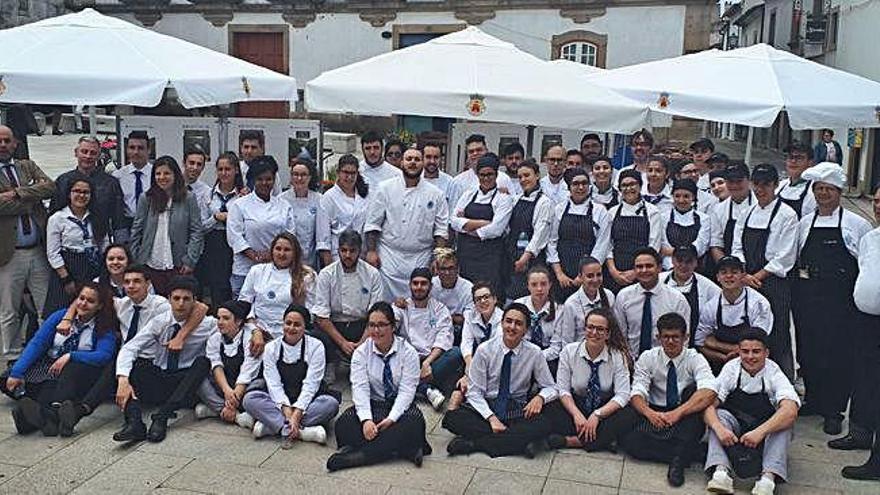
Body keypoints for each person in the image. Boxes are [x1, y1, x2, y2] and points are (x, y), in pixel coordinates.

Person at [52, 264, 208, 437]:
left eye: (137, 281)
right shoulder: (122, 305)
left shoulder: (163, 307)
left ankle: (160, 418)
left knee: (202, 363)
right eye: (127, 282)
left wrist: (181, 337)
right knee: (124, 363)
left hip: (177, 380)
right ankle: (129, 421)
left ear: (148, 284)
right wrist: (67, 318)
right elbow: (87, 298)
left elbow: (200, 308)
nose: (131, 286)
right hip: (148, 372)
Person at [793, 162, 873, 436]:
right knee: (809, 351)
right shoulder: (805, 223)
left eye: (829, 189)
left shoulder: (856, 224)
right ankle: (814, 400)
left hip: (840, 303)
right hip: (809, 299)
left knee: (837, 355)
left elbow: (866, 264)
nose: (823, 194)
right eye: (819, 189)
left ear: (839, 192)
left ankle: (834, 410)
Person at [442, 302, 557, 458]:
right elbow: (475, 392)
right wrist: (492, 419)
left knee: (545, 423)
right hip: (488, 406)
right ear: (502, 323)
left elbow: (551, 387)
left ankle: (474, 444)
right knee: (452, 419)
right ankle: (519, 443)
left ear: (525, 329)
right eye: (508, 321)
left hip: (516, 409)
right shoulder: (484, 350)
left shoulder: (535, 353)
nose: (512, 327)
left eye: (518, 323)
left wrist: (540, 397)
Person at [1, 283, 118, 436]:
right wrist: (17, 372)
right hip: (49, 364)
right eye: (81, 298)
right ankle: (46, 419)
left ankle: (34, 418)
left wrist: (71, 355)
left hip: (78, 372)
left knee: (58, 378)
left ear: (99, 306)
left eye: (90, 301)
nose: (83, 303)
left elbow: (104, 355)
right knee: (8, 380)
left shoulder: (103, 326)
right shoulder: (60, 316)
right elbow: (37, 344)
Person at [327, 302, 430, 471]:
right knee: (344, 424)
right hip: (373, 404)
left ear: (393, 327)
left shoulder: (408, 352)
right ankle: (403, 449)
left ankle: (360, 457)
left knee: (414, 424)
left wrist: (391, 419)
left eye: (382, 325)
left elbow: (407, 391)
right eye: (372, 325)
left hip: (399, 408)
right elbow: (360, 390)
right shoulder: (361, 353)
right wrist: (366, 420)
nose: (376, 331)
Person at [112, 276, 215, 443]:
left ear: (195, 301)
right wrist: (123, 380)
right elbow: (130, 347)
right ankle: (134, 423)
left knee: (203, 363)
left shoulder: (208, 324)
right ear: (169, 300)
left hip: (183, 387)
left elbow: (236, 326)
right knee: (133, 365)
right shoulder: (160, 321)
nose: (181, 303)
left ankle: (161, 418)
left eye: (186, 299)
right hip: (159, 378)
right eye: (176, 298)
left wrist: (255, 333)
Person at [620, 313, 717, 487]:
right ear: (658, 337)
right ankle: (688, 453)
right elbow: (637, 393)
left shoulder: (695, 358)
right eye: (666, 337)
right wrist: (649, 413)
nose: (670, 342)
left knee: (695, 394)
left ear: (685, 337)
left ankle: (678, 463)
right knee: (630, 443)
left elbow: (710, 391)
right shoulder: (648, 357)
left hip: (682, 413)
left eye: (675, 337)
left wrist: (677, 413)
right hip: (655, 412)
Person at [704, 330, 800, 495]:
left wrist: (759, 433)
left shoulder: (774, 372)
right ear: (739, 351)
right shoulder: (731, 368)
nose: (750, 357)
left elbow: (791, 410)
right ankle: (721, 472)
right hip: (734, 427)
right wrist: (720, 429)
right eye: (745, 351)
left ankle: (768, 478)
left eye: (756, 351)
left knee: (784, 423)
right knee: (718, 416)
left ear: (766, 353)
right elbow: (707, 403)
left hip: (763, 430)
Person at [731, 163, 798, 380]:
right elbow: (737, 246)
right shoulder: (747, 212)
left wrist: (756, 276)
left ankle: (783, 384)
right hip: (746, 282)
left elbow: (784, 257)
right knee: (750, 334)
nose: (760, 189)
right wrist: (743, 274)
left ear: (776, 185)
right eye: (756, 184)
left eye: (766, 185)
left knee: (777, 335)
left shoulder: (787, 215)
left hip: (773, 285)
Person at [245, 304, 340, 448]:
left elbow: (311, 384)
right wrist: (287, 411)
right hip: (278, 400)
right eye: (288, 323)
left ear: (305, 327)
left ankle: (272, 426)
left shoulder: (316, 346)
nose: (291, 328)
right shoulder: (271, 347)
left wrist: (297, 414)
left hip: (308, 398)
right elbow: (273, 383)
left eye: (297, 325)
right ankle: (304, 432)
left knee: (330, 405)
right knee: (249, 400)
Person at [545, 308, 636, 452]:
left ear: (608, 334)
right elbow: (563, 390)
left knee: (630, 414)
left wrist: (597, 415)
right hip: (577, 405)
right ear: (584, 329)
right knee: (549, 406)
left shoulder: (618, 356)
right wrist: (577, 415)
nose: (594, 333)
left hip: (605, 409)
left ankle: (572, 441)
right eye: (590, 327)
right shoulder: (569, 351)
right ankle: (603, 440)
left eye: (600, 329)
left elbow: (623, 394)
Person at [365, 147, 448, 299]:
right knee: (386, 305)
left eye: (417, 160)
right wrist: (371, 251)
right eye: (409, 159)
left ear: (422, 163)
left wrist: (438, 257)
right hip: (389, 257)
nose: (413, 163)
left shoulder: (436, 194)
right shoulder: (385, 188)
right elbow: (373, 223)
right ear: (402, 163)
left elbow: (441, 230)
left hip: (421, 257)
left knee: (418, 303)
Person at [0, 125, 54, 356]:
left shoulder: (26, 165)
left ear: (15, 143)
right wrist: (32, 195)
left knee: (45, 307)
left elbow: (50, 187)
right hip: (9, 253)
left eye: (7, 141)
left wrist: (17, 193)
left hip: (38, 250)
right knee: (9, 310)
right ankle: (11, 354)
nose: (3, 145)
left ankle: (45, 352)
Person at [841, 186, 880, 479]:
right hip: (864, 321)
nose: (878, 206)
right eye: (876, 201)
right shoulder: (870, 239)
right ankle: (861, 433)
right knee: (864, 382)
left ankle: (877, 462)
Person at [312, 230, 384, 378]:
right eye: (343, 250)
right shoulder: (326, 274)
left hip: (362, 326)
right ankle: (330, 362)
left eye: (352, 251)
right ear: (338, 250)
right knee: (315, 334)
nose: (347, 255)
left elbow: (375, 314)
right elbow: (321, 316)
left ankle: (363, 363)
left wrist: (361, 343)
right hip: (334, 326)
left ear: (359, 251)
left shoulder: (372, 274)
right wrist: (343, 343)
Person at [129, 156, 204, 296]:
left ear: (175, 175)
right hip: (150, 264)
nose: (162, 177)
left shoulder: (188, 198)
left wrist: (190, 260)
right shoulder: (146, 199)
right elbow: (136, 231)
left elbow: (196, 231)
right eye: (158, 174)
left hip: (178, 265)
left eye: (167, 173)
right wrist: (137, 260)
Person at [393, 268, 461, 411]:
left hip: (433, 360)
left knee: (456, 353)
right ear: (409, 285)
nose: (419, 287)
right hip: (407, 359)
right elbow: (390, 323)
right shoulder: (401, 306)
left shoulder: (440, 309)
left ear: (430, 286)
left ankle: (408, 385)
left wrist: (427, 363)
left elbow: (444, 339)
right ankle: (426, 390)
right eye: (415, 283)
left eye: (423, 284)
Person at [227, 155, 295, 296]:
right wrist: (254, 255)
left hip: (276, 269)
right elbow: (235, 237)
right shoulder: (239, 205)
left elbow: (290, 236)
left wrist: (272, 255)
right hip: (244, 271)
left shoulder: (284, 206)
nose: (265, 183)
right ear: (252, 181)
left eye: (269, 179)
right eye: (260, 179)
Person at [44, 176, 109, 317]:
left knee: (92, 309)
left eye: (86, 192)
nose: (81, 195)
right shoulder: (57, 218)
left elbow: (104, 245)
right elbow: (53, 252)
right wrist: (66, 279)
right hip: (68, 268)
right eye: (77, 191)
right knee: (62, 312)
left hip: (93, 266)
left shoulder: (97, 216)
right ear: (69, 194)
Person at [696, 256, 773, 372]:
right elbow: (701, 342)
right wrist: (724, 358)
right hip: (720, 364)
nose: (729, 276)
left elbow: (758, 345)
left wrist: (716, 344)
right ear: (717, 277)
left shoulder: (759, 303)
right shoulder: (710, 307)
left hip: (753, 364)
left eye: (734, 272)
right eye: (723, 272)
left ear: (743, 276)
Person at [450, 153, 513, 294]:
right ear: (477, 175)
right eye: (482, 175)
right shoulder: (469, 194)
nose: (486, 178)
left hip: (490, 258)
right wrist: (483, 222)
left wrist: (465, 226)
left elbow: (496, 229)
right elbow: (453, 220)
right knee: (467, 292)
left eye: (490, 174)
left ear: (496, 174)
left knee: (488, 293)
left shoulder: (503, 198)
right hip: (466, 255)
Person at [613, 248, 691, 360]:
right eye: (639, 267)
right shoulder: (623, 296)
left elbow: (684, 338)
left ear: (659, 268)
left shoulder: (677, 299)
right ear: (634, 270)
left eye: (649, 266)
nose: (644, 270)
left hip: (665, 362)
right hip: (631, 361)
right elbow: (620, 335)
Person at [194, 300, 262, 429]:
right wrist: (226, 390)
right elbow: (216, 366)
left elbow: (248, 371)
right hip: (225, 387)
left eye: (225, 318)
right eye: (218, 318)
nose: (220, 322)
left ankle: (215, 410)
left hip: (245, 386)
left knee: (259, 385)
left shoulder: (250, 337)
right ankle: (235, 416)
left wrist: (234, 396)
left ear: (238, 321)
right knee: (199, 382)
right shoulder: (214, 338)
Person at [547, 167, 612, 302]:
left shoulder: (600, 211)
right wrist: (559, 273)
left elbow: (602, 245)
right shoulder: (559, 209)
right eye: (576, 184)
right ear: (569, 187)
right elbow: (552, 241)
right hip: (561, 274)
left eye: (584, 183)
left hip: (589, 277)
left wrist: (584, 276)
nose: (580, 187)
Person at [50, 136, 126, 242]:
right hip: (69, 243)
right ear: (76, 152)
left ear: (99, 156)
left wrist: (121, 246)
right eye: (84, 151)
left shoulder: (110, 183)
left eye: (93, 153)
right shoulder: (63, 181)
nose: (88, 156)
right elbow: (54, 215)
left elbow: (118, 219)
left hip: (100, 241)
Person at [239, 232, 315, 339]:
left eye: (287, 250)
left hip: (290, 331)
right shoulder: (257, 271)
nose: (281, 254)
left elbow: (311, 310)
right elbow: (244, 304)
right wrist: (255, 330)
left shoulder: (307, 275)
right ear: (272, 251)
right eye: (278, 249)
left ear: (295, 253)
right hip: (257, 330)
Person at [504, 159, 554, 301]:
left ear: (537, 175)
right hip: (513, 257)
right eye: (520, 177)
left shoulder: (545, 202)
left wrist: (525, 258)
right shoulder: (516, 199)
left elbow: (540, 234)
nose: (523, 180)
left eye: (527, 175)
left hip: (532, 261)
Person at [199, 152, 244, 309]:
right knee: (217, 286)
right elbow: (201, 226)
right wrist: (216, 218)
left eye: (228, 169)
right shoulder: (208, 195)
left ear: (236, 171)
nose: (224, 173)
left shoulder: (244, 196)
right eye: (220, 169)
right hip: (214, 243)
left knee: (234, 285)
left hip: (235, 244)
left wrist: (230, 217)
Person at [606, 170, 663, 292]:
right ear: (620, 189)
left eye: (633, 184)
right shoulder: (612, 212)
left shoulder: (653, 211)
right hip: (616, 271)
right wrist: (613, 271)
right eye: (624, 185)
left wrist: (636, 272)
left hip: (643, 272)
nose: (628, 188)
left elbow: (654, 245)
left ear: (640, 186)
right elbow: (608, 244)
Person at [661, 245, 721, 347]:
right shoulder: (659, 281)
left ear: (696, 263)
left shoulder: (709, 287)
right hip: (663, 342)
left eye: (688, 261)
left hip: (695, 345)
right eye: (679, 260)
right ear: (673, 260)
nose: (683, 265)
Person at [515, 266, 570, 374]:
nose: (539, 289)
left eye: (543, 284)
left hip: (547, 360)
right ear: (528, 286)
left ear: (550, 285)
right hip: (520, 356)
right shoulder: (518, 305)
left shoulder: (559, 310)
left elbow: (556, 348)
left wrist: (534, 359)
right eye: (534, 285)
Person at [316, 154, 369, 266]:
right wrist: (329, 267)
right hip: (338, 257)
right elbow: (323, 239)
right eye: (345, 173)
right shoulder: (328, 198)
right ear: (338, 172)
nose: (349, 177)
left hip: (360, 256)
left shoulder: (363, 196)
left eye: (353, 173)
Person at [708, 161, 754, 279]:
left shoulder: (759, 205)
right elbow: (716, 245)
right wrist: (729, 271)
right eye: (730, 181)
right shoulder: (718, 210)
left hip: (757, 273)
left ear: (749, 181)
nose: (734, 185)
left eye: (739, 181)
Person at [456, 282, 503, 391]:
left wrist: (471, 375)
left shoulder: (503, 318)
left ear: (494, 299)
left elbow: (494, 350)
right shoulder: (470, 315)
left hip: (496, 361)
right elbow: (466, 343)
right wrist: (469, 365)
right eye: (478, 299)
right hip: (475, 359)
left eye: (486, 297)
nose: (483, 301)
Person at [448, 135, 514, 210]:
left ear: (486, 151)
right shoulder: (458, 181)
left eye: (479, 150)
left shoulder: (503, 178)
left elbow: (512, 205)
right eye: (471, 151)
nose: (475, 154)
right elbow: (453, 213)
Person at [280, 157, 323, 269]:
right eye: (295, 174)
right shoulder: (281, 200)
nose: (299, 178)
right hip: (286, 259)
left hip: (311, 259)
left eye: (303, 175)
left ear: (310, 177)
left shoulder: (319, 199)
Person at [561, 256, 616, 342]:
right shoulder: (571, 304)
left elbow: (614, 330)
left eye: (599, 275)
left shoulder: (609, 296)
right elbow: (567, 340)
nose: (595, 280)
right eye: (590, 276)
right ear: (580, 277)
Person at [660, 179, 710, 270]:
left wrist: (675, 252)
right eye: (677, 196)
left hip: (696, 267)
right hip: (669, 267)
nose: (681, 200)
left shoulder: (704, 219)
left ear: (693, 197)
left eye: (686, 196)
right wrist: (673, 267)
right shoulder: (663, 217)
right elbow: (664, 247)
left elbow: (701, 247)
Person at [112, 131, 152, 238]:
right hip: (126, 225)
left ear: (149, 150)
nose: (136, 152)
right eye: (132, 147)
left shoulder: (157, 175)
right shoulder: (118, 176)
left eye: (140, 148)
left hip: (151, 224)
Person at [430, 248, 474, 342]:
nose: (447, 273)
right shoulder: (430, 285)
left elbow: (469, 319)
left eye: (451, 268)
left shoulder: (468, 288)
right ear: (437, 270)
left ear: (458, 269)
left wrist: (445, 317)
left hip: (458, 331)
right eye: (443, 269)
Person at [776, 142, 817, 219]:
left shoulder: (815, 191)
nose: (793, 161)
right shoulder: (779, 186)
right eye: (790, 157)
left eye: (799, 158)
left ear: (810, 162)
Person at [237, 130, 280, 195]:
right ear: (241, 148)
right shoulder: (235, 170)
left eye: (253, 147)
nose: (249, 151)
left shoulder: (270, 171)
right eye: (246, 147)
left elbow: (277, 196)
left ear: (262, 149)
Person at [182, 147, 212, 220]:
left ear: (203, 167)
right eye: (191, 163)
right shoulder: (172, 185)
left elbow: (204, 219)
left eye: (199, 164)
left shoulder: (207, 192)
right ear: (183, 163)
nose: (195, 167)